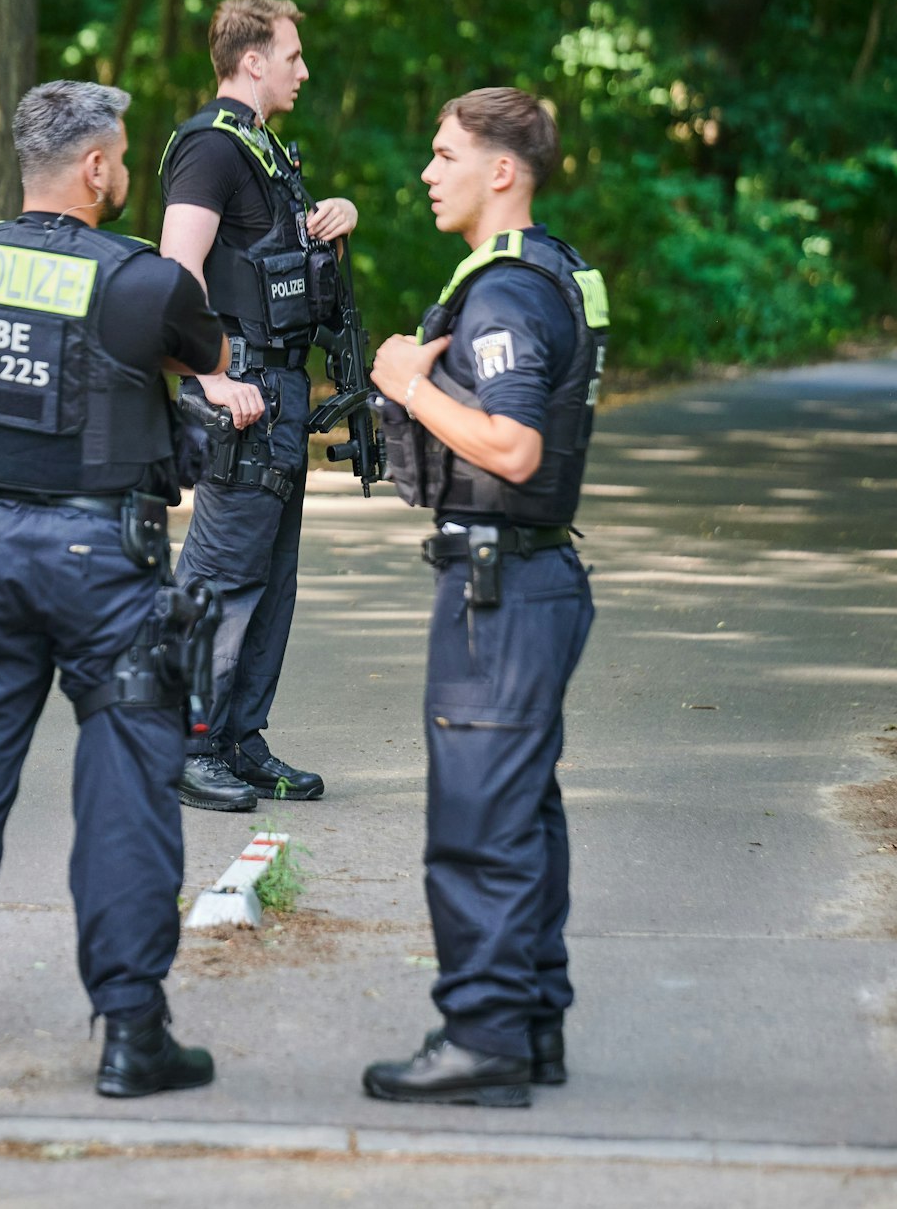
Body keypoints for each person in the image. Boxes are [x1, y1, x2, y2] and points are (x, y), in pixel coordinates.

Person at [0, 80, 230, 1099]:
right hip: (103, 570)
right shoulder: (144, 280)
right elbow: (203, 355)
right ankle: (130, 1034)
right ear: (94, 168)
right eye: (120, 156)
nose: (124, 171)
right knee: (124, 799)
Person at [360, 88, 607, 1106]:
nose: (427, 171)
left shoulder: (505, 293)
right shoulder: (553, 271)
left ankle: (482, 1039)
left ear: (499, 170)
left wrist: (403, 385)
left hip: (498, 590)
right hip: (531, 580)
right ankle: (530, 1021)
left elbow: (511, 446)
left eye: (443, 152)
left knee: (477, 820)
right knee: (522, 810)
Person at [159, 0, 358, 813]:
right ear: (252, 62)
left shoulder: (264, 151)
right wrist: (210, 376)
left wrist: (333, 220)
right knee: (221, 573)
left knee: (271, 578)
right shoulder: (211, 147)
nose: (303, 70)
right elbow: (177, 271)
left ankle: (239, 740)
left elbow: (263, 264)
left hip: (277, 390)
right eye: (293, 56)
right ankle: (185, 742)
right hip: (238, 388)